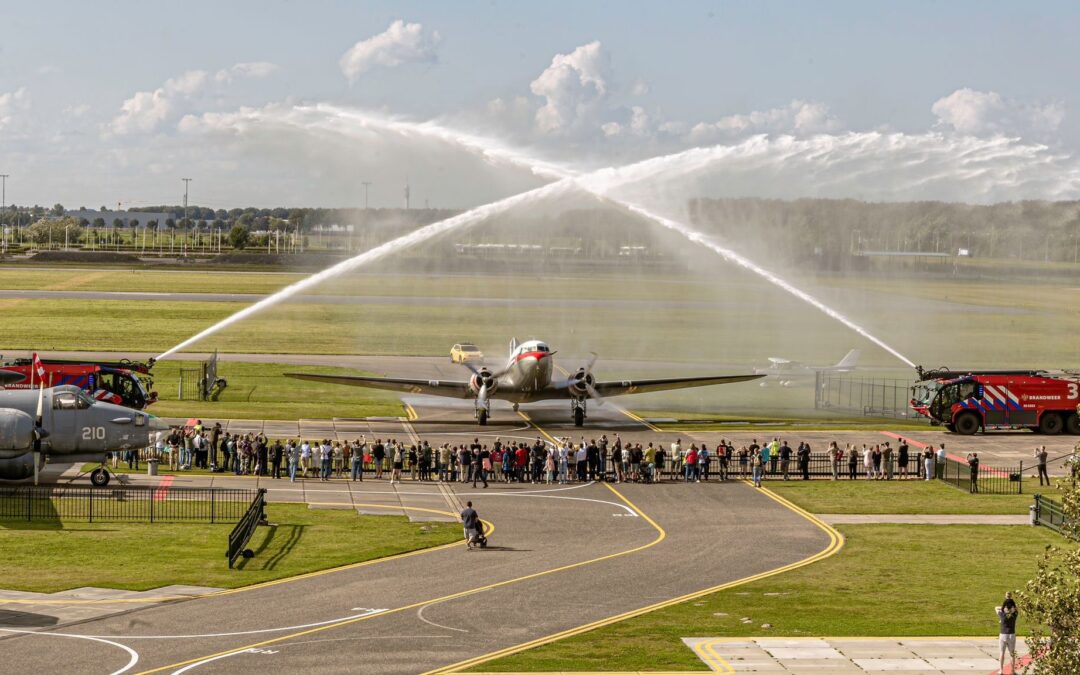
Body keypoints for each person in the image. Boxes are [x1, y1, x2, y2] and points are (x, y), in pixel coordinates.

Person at [995, 592, 1018, 675]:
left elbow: (996, 608)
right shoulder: (1014, 614)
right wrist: (1012, 608)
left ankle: (1001, 670)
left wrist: (1004, 608)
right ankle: (1012, 671)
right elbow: (1017, 608)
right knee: (1012, 654)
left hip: (1003, 634)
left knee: (1002, 653)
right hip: (1012, 634)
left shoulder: (1002, 614)